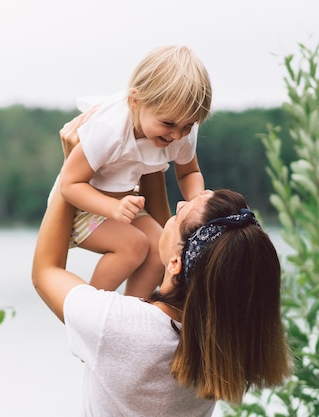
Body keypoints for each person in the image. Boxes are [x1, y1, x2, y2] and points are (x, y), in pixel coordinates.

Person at [32, 183, 292, 416]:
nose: (177, 205)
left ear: (177, 263)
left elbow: (46, 271)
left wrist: (71, 179)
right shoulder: (227, 344)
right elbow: (177, 240)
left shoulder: (116, 326)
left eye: (179, 214)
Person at [58, 45, 212, 298]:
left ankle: (134, 312)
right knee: (135, 244)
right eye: (168, 124)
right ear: (135, 101)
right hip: (85, 208)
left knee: (160, 245)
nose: (177, 135)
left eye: (188, 126)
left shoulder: (180, 128)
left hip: (126, 207)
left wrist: (198, 200)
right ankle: (89, 311)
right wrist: (112, 209)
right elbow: (69, 185)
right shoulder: (109, 129)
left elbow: (188, 173)